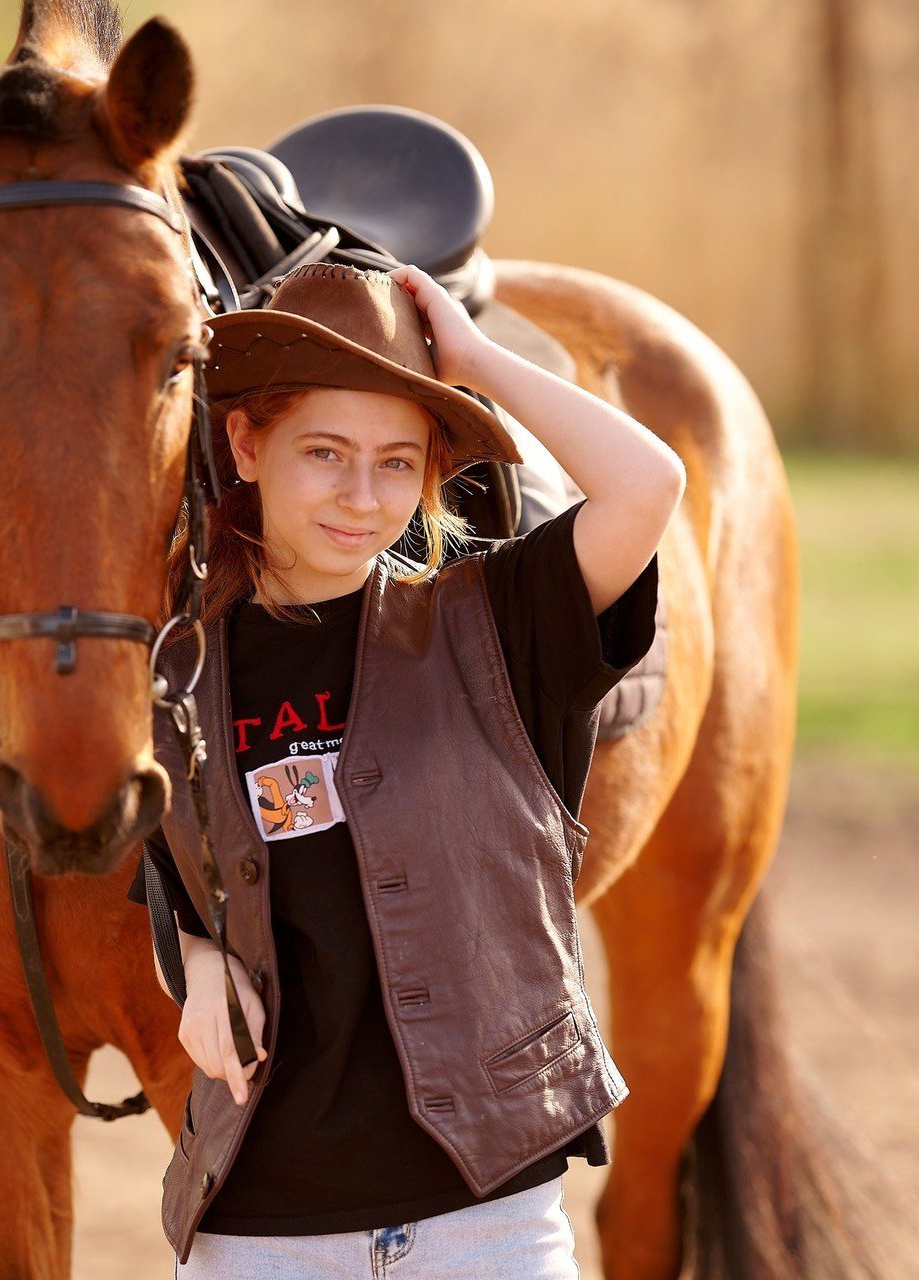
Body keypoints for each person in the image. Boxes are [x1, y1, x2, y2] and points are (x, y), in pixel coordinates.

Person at [129, 261, 685, 1278]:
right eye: (324, 452)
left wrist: (473, 362)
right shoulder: (179, 668)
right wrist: (197, 959)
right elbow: (163, 864)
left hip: (488, 1220)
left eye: (397, 461)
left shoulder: (498, 623)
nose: (361, 495)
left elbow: (648, 485)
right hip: (259, 1226)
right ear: (245, 445)